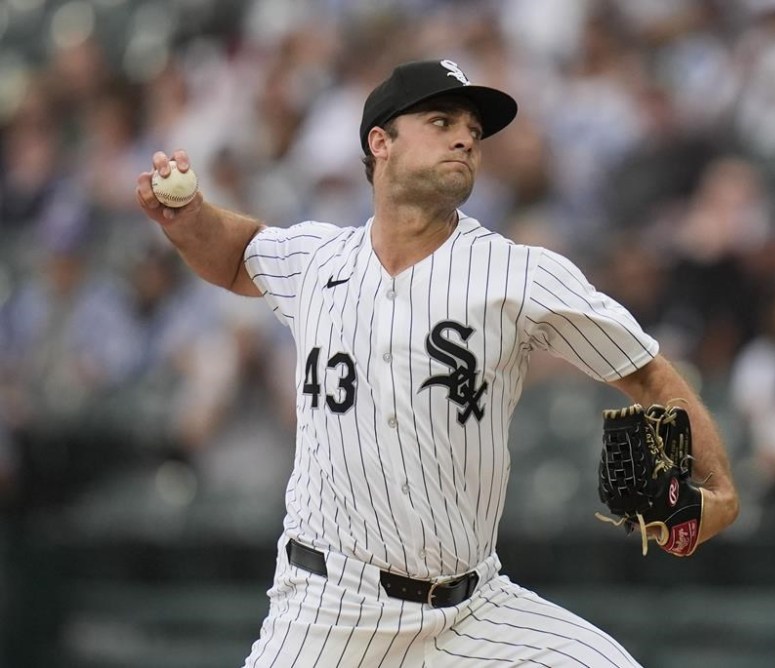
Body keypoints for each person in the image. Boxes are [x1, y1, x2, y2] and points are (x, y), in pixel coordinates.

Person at [135, 58, 739, 667]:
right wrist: (189, 220)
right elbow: (237, 253)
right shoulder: (318, 263)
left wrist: (720, 490)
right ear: (381, 143)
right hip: (325, 613)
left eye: (474, 132)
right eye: (442, 120)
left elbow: (645, 370)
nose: (465, 138)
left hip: (472, 613)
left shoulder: (517, 275)